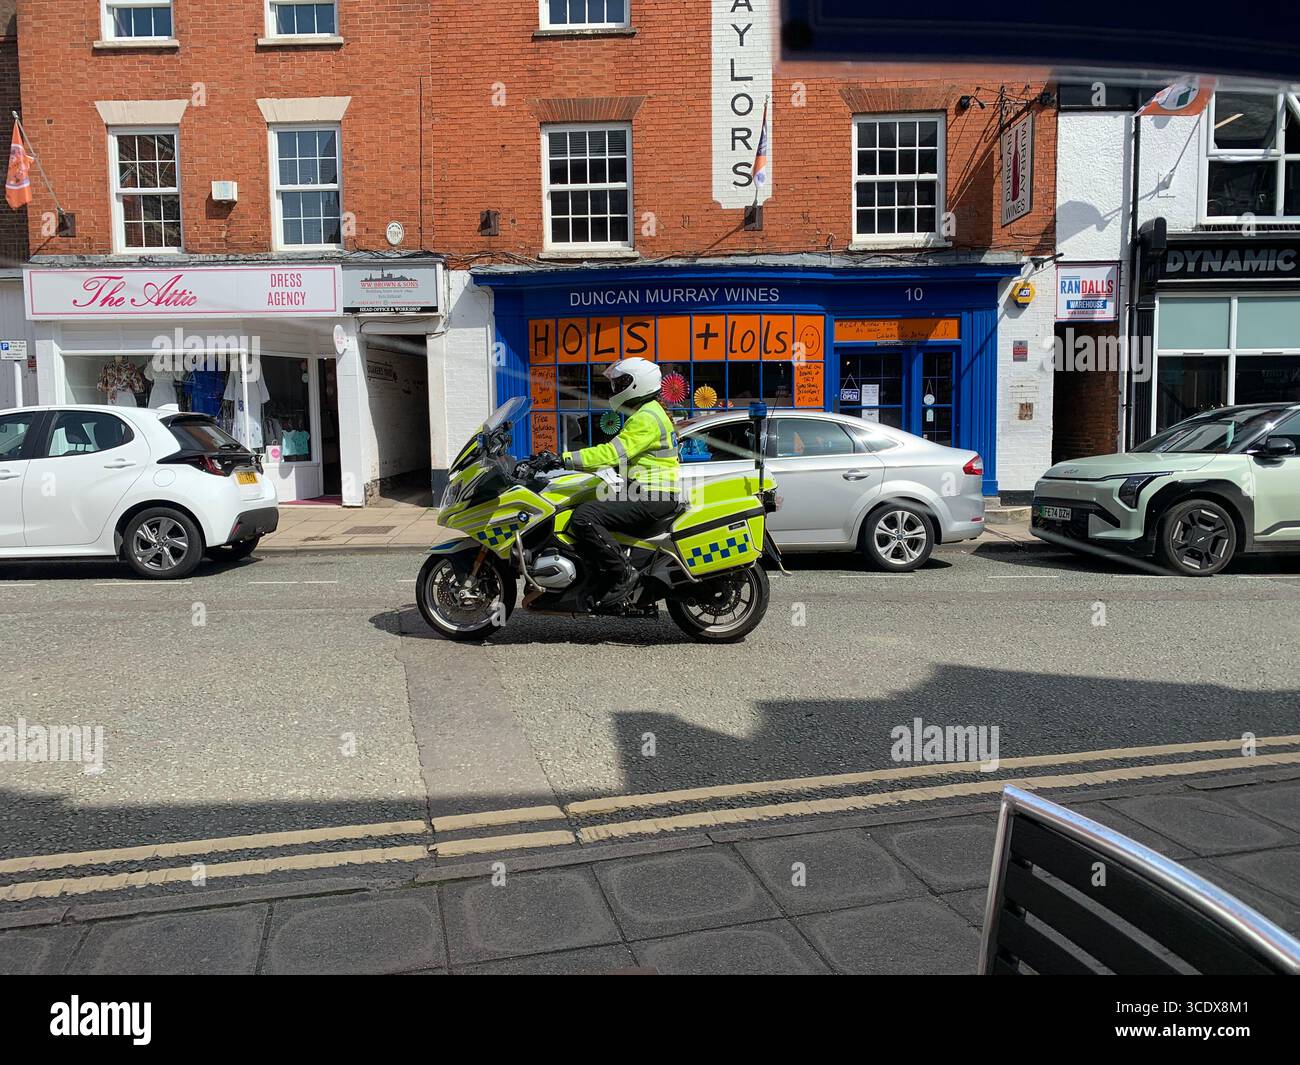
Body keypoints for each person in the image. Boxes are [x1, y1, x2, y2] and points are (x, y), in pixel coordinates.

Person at [560, 357, 682, 608]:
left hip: (653, 494)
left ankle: (623, 573)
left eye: (619, 383)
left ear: (636, 385)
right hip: (651, 492)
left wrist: (565, 459)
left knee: (584, 517)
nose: (614, 390)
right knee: (591, 502)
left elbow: (612, 453)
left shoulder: (646, 417)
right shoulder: (649, 412)